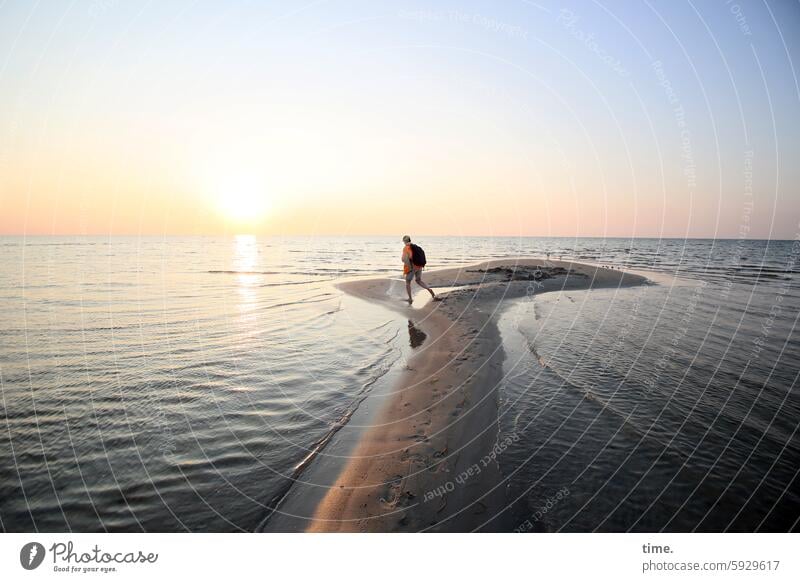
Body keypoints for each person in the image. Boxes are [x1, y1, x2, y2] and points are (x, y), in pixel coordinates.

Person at [401, 235, 437, 304]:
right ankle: (429, 290)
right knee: (418, 280)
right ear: (410, 240)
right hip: (419, 266)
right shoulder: (415, 247)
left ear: (404, 241)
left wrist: (410, 268)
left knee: (408, 282)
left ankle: (410, 299)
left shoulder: (406, 248)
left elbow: (404, 259)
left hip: (412, 267)